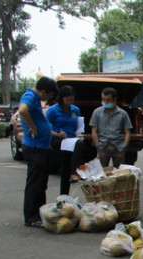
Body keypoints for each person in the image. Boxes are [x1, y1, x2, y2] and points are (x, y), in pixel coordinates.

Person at [20, 76, 59, 227]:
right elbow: (22, 110)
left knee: (41, 183)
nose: (48, 98)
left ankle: (39, 212)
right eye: (48, 95)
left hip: (40, 147)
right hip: (34, 147)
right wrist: (34, 128)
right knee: (35, 183)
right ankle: (31, 217)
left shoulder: (35, 98)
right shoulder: (30, 96)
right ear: (43, 91)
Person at [46, 85, 87, 195]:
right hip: (57, 139)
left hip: (71, 140)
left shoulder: (75, 110)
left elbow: (78, 126)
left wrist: (79, 134)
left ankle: (64, 196)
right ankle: (73, 172)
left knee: (78, 146)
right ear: (61, 98)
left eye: (71, 99)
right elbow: (45, 128)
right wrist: (58, 134)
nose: (69, 102)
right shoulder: (52, 110)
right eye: (67, 100)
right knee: (68, 156)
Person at [89, 87, 132, 168]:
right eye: (103, 99)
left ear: (115, 99)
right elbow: (94, 130)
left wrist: (124, 146)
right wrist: (98, 145)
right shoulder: (97, 112)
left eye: (108, 100)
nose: (105, 102)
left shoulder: (123, 114)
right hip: (103, 145)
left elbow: (127, 131)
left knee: (119, 173)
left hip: (118, 146)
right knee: (101, 173)